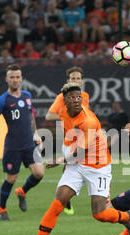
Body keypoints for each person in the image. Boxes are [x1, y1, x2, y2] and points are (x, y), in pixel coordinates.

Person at [22, 83, 130, 235]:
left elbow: (82, 151)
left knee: (100, 214)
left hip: (97, 166)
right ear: (65, 101)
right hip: (76, 165)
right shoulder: (62, 112)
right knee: (57, 202)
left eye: (79, 97)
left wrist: (60, 160)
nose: (77, 100)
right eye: (72, 97)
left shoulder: (89, 120)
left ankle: (127, 218)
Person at [0, 64, 44, 221]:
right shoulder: (2, 100)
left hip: (29, 144)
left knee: (39, 173)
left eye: (17, 77)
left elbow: (31, 116)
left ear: (21, 78)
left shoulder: (27, 95)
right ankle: (2, 208)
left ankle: (22, 192)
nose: (15, 80)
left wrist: (36, 133)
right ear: (7, 79)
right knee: (11, 178)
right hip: (13, 146)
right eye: (12, 77)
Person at [45, 66, 90, 215]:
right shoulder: (61, 97)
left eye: (78, 78)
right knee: (73, 169)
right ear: (67, 81)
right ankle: (65, 198)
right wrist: (66, 116)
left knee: (75, 169)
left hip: (82, 139)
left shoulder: (85, 96)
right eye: (72, 78)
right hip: (69, 141)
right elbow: (49, 116)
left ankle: (66, 197)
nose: (75, 81)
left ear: (82, 81)